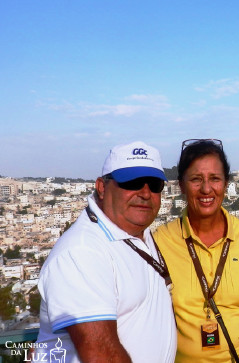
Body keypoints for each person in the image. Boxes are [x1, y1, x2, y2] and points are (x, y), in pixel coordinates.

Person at [35, 141, 177, 363]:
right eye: (133, 182)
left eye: (155, 184)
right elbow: (101, 355)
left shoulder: (139, 234)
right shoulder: (82, 252)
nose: (146, 193)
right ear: (102, 187)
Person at [153, 139, 239, 363]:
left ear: (226, 184)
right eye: (196, 179)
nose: (206, 189)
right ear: (181, 186)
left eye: (215, 179)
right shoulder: (161, 241)